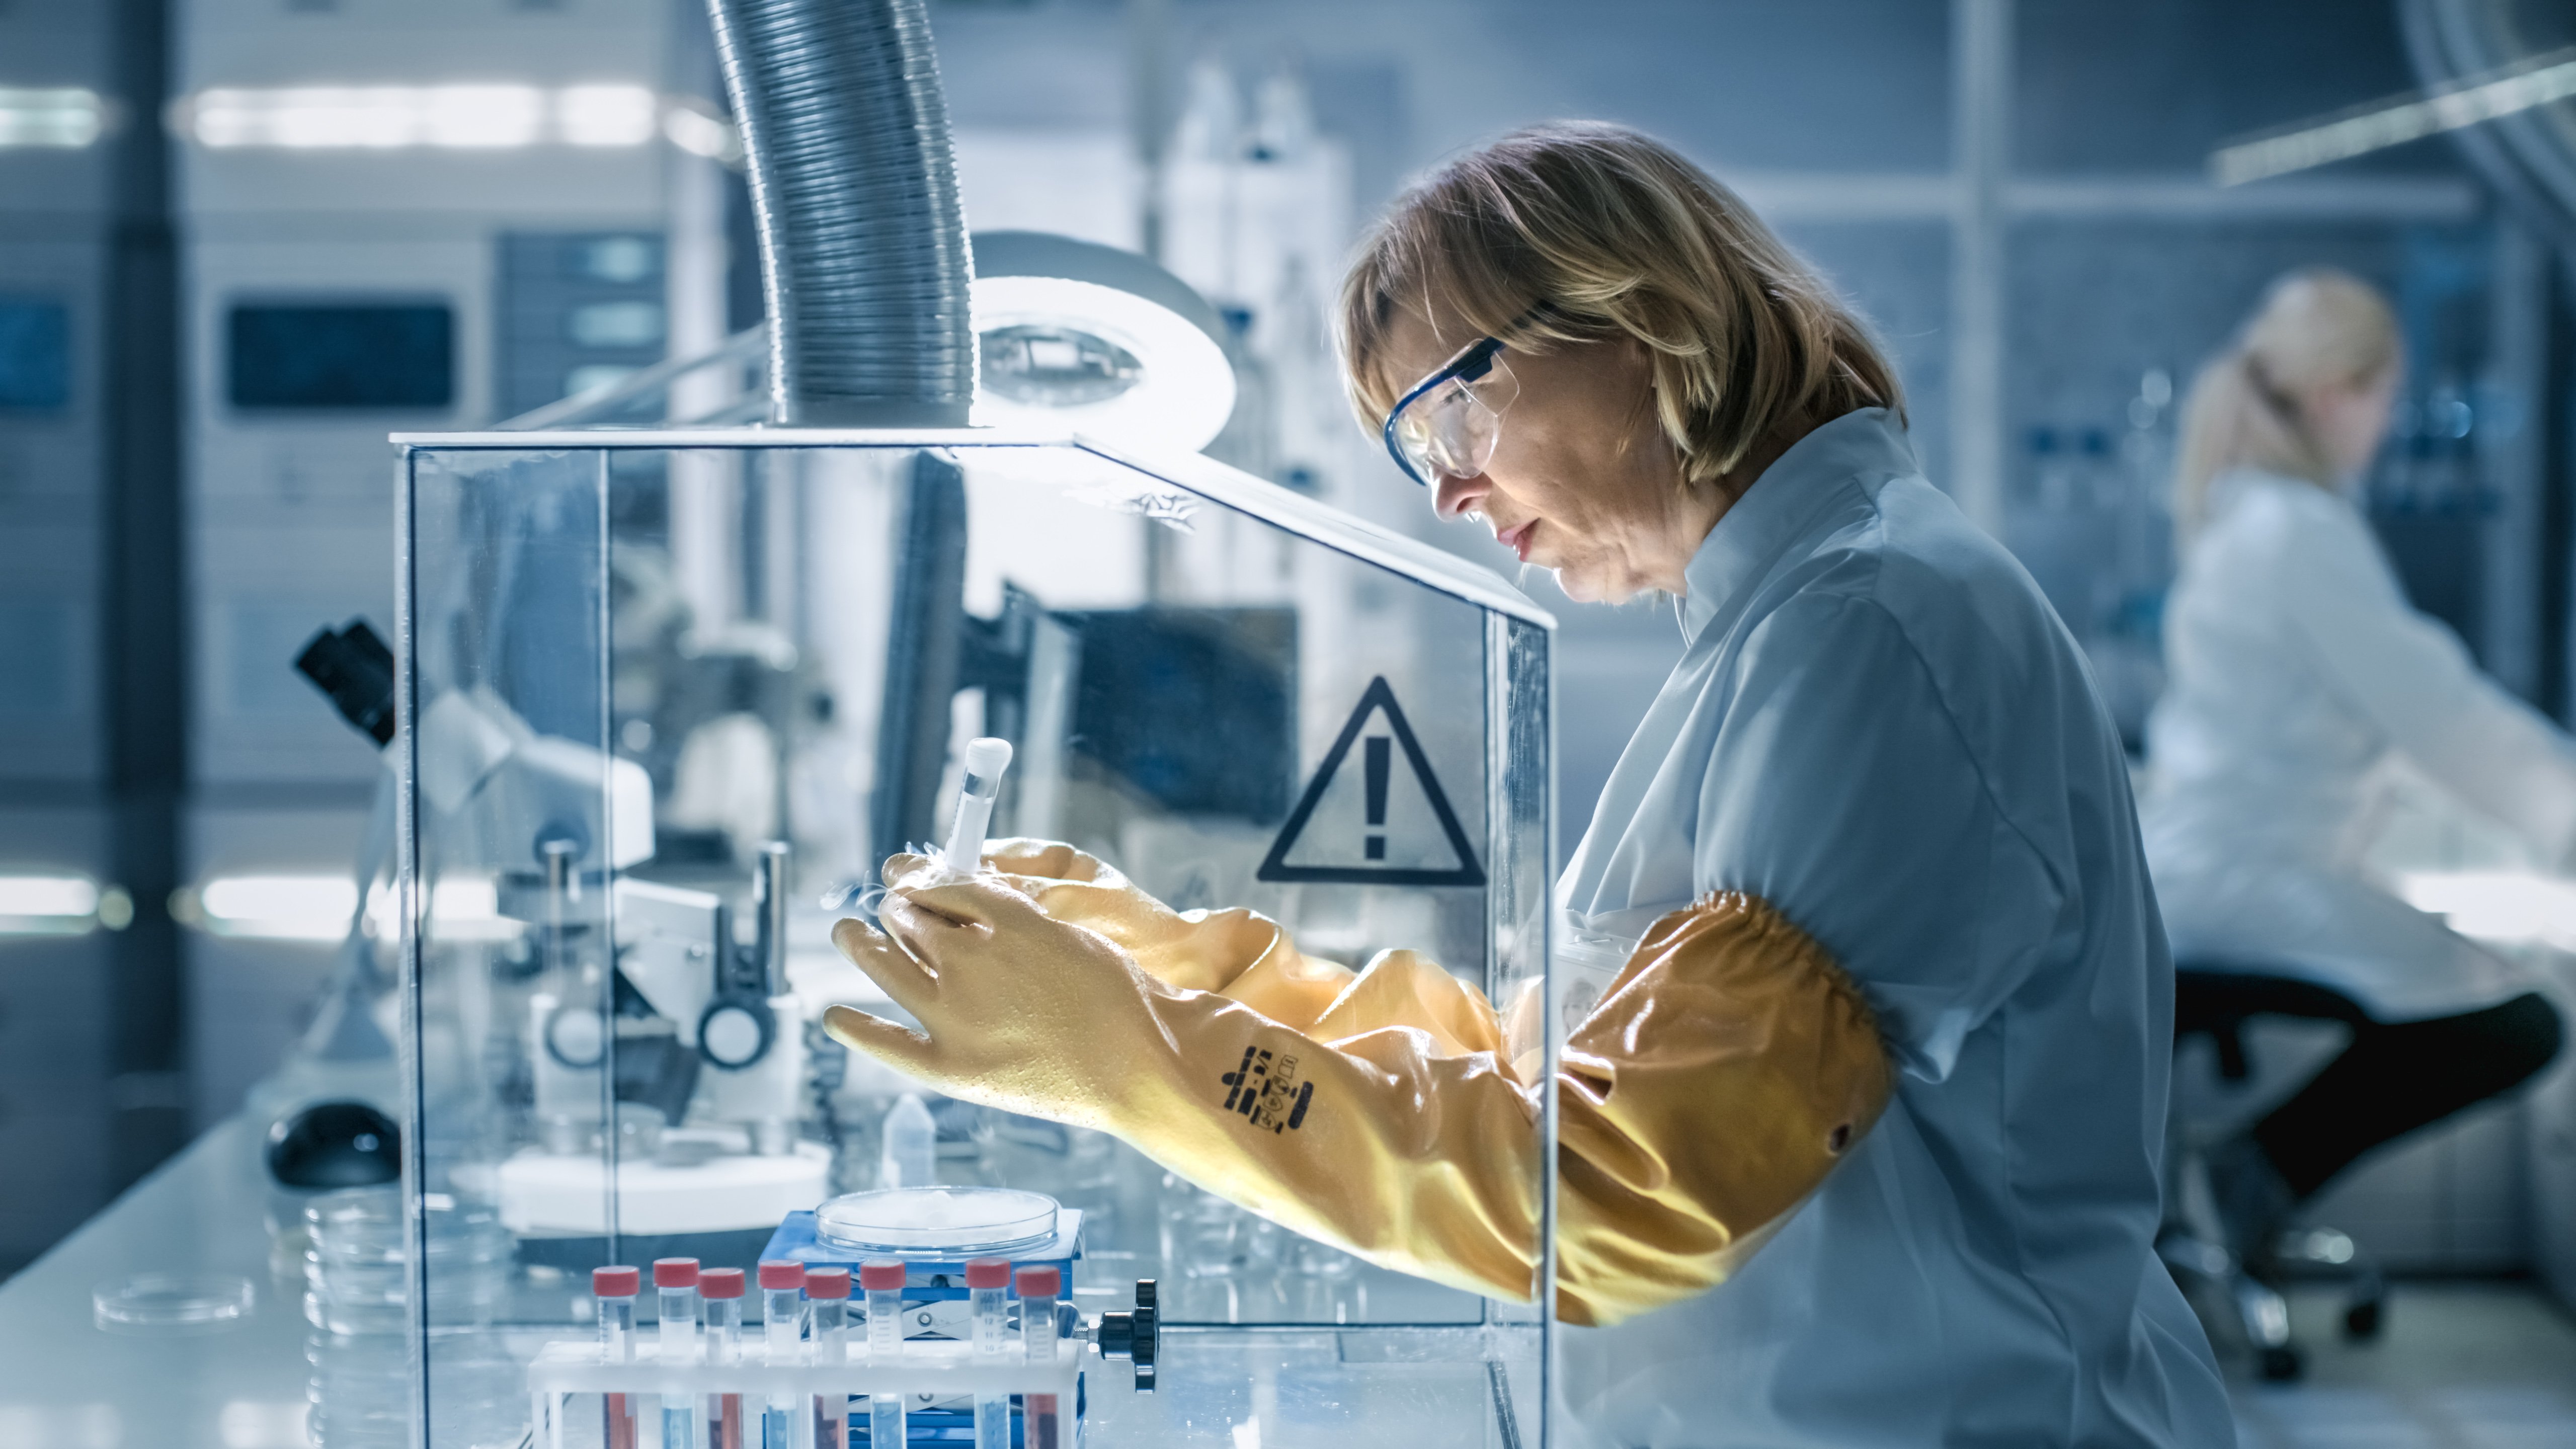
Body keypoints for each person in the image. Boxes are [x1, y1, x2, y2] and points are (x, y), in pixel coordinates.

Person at [825, 122, 2232, 1445]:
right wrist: (1150, 961)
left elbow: (1633, 1183)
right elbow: (1547, 1073)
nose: (1446, 494)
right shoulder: (1791, 624)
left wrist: (1127, 1055)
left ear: (1640, 321)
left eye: (1449, 417)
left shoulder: (1867, 631)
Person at [2141, 269, 2566, 1257]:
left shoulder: (2246, 520)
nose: (2385, 424)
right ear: (2340, 394)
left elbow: (2340, 725)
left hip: (2210, 872)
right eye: (2386, 398)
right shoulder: (2298, 534)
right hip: (2249, 881)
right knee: (2511, 1021)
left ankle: (2229, 1186)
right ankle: (2240, 1183)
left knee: (2486, 999)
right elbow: (2440, 713)